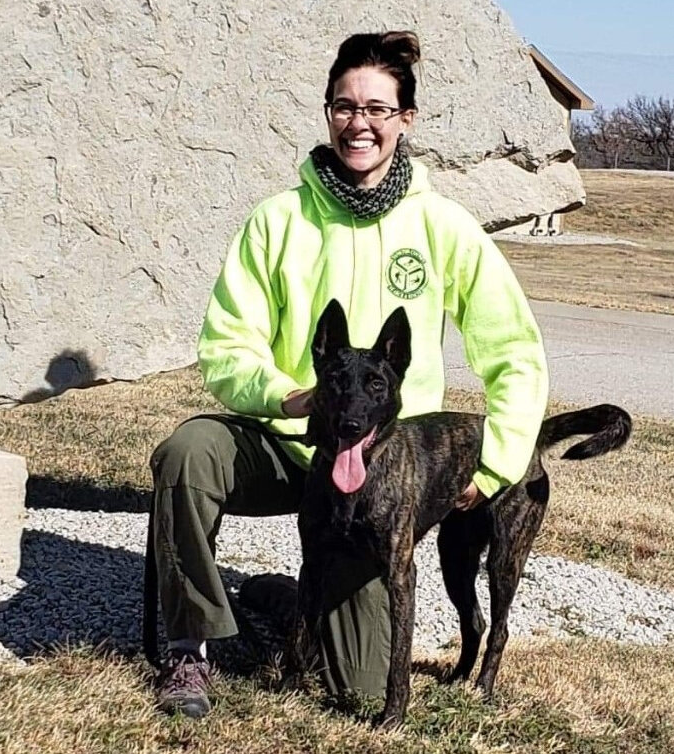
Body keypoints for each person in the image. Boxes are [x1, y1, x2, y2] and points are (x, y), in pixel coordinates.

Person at [148, 30, 549, 718]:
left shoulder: (445, 228)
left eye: (376, 109)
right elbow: (225, 345)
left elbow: (514, 352)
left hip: (376, 465)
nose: (357, 123)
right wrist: (287, 395)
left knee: (360, 689)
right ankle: (190, 647)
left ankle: (274, 597)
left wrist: (499, 461)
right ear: (327, 111)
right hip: (286, 439)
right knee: (188, 452)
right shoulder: (277, 221)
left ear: (405, 120)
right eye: (343, 106)